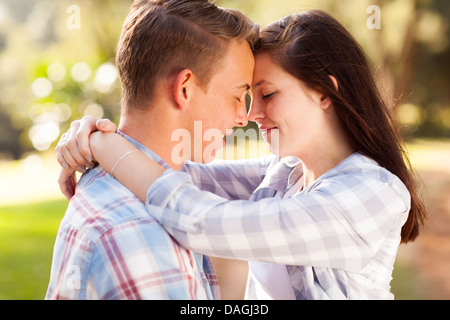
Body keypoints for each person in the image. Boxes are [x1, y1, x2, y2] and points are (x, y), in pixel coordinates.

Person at [57, 10, 427, 300]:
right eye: (245, 95)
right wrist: (92, 134)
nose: (249, 114)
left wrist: (104, 145)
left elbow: (201, 221)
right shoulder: (289, 173)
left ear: (324, 93)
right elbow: (177, 171)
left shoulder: (374, 194)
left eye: (267, 94)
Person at [47, 0, 259, 300]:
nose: (243, 117)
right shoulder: (138, 236)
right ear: (184, 88)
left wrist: (98, 141)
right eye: (238, 96)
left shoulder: (121, 189)